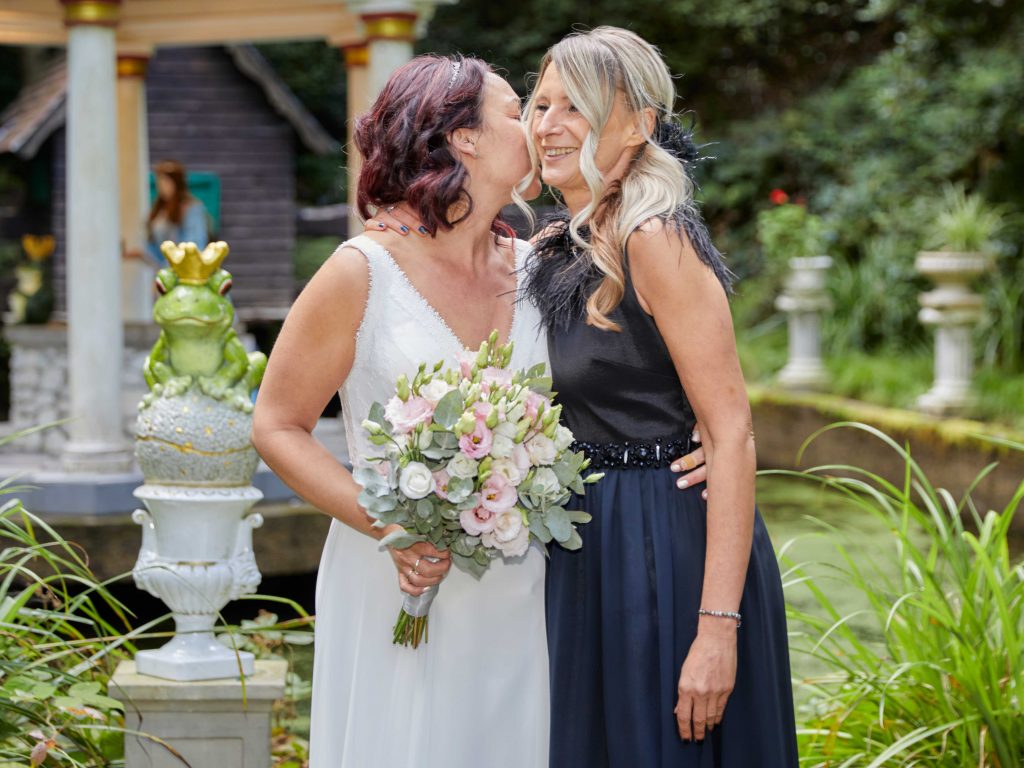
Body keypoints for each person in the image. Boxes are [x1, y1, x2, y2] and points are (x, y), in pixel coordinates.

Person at [370, 26, 797, 768]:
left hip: (665, 543)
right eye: (540, 105)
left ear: (638, 124)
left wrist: (716, 628)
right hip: (583, 547)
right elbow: (459, 254)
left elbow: (731, 433)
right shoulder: (554, 245)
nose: (549, 125)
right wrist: (399, 226)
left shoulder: (654, 238)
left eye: (578, 106)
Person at [251, 56, 551, 767]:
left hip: (524, 581)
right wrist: (387, 525)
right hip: (395, 572)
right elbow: (276, 424)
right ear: (465, 138)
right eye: (519, 112)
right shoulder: (362, 272)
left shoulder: (541, 268)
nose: (539, 128)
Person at [145, 160, 209, 263]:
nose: (162, 186)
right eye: (159, 182)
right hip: (164, 269)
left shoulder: (191, 207)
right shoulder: (159, 210)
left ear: (177, 183)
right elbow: (154, 248)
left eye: (166, 182)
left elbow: (195, 245)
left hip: (184, 268)